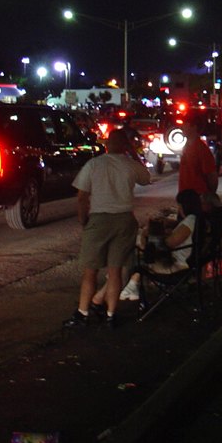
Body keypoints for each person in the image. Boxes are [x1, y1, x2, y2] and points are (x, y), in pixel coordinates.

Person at [64, 128, 151, 328]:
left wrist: (83, 219)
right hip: (124, 220)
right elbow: (146, 178)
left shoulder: (94, 165)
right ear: (124, 146)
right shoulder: (130, 165)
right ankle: (111, 315)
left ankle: (83, 313)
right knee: (115, 270)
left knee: (90, 270)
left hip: (99, 219)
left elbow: (81, 196)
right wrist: (134, 153)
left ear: (107, 145)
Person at [97, 189, 204, 303]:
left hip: (174, 266)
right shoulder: (193, 220)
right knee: (129, 259)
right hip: (174, 260)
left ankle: (108, 295)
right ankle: (111, 293)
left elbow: (168, 244)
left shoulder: (190, 221)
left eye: (179, 205)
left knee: (131, 259)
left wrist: (146, 235)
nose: (179, 208)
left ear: (184, 205)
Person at [177, 119, 219, 197]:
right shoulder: (186, 147)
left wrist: (210, 196)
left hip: (198, 198)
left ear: (194, 127)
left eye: (186, 124)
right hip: (185, 198)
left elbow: (211, 176)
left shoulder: (201, 149)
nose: (182, 127)